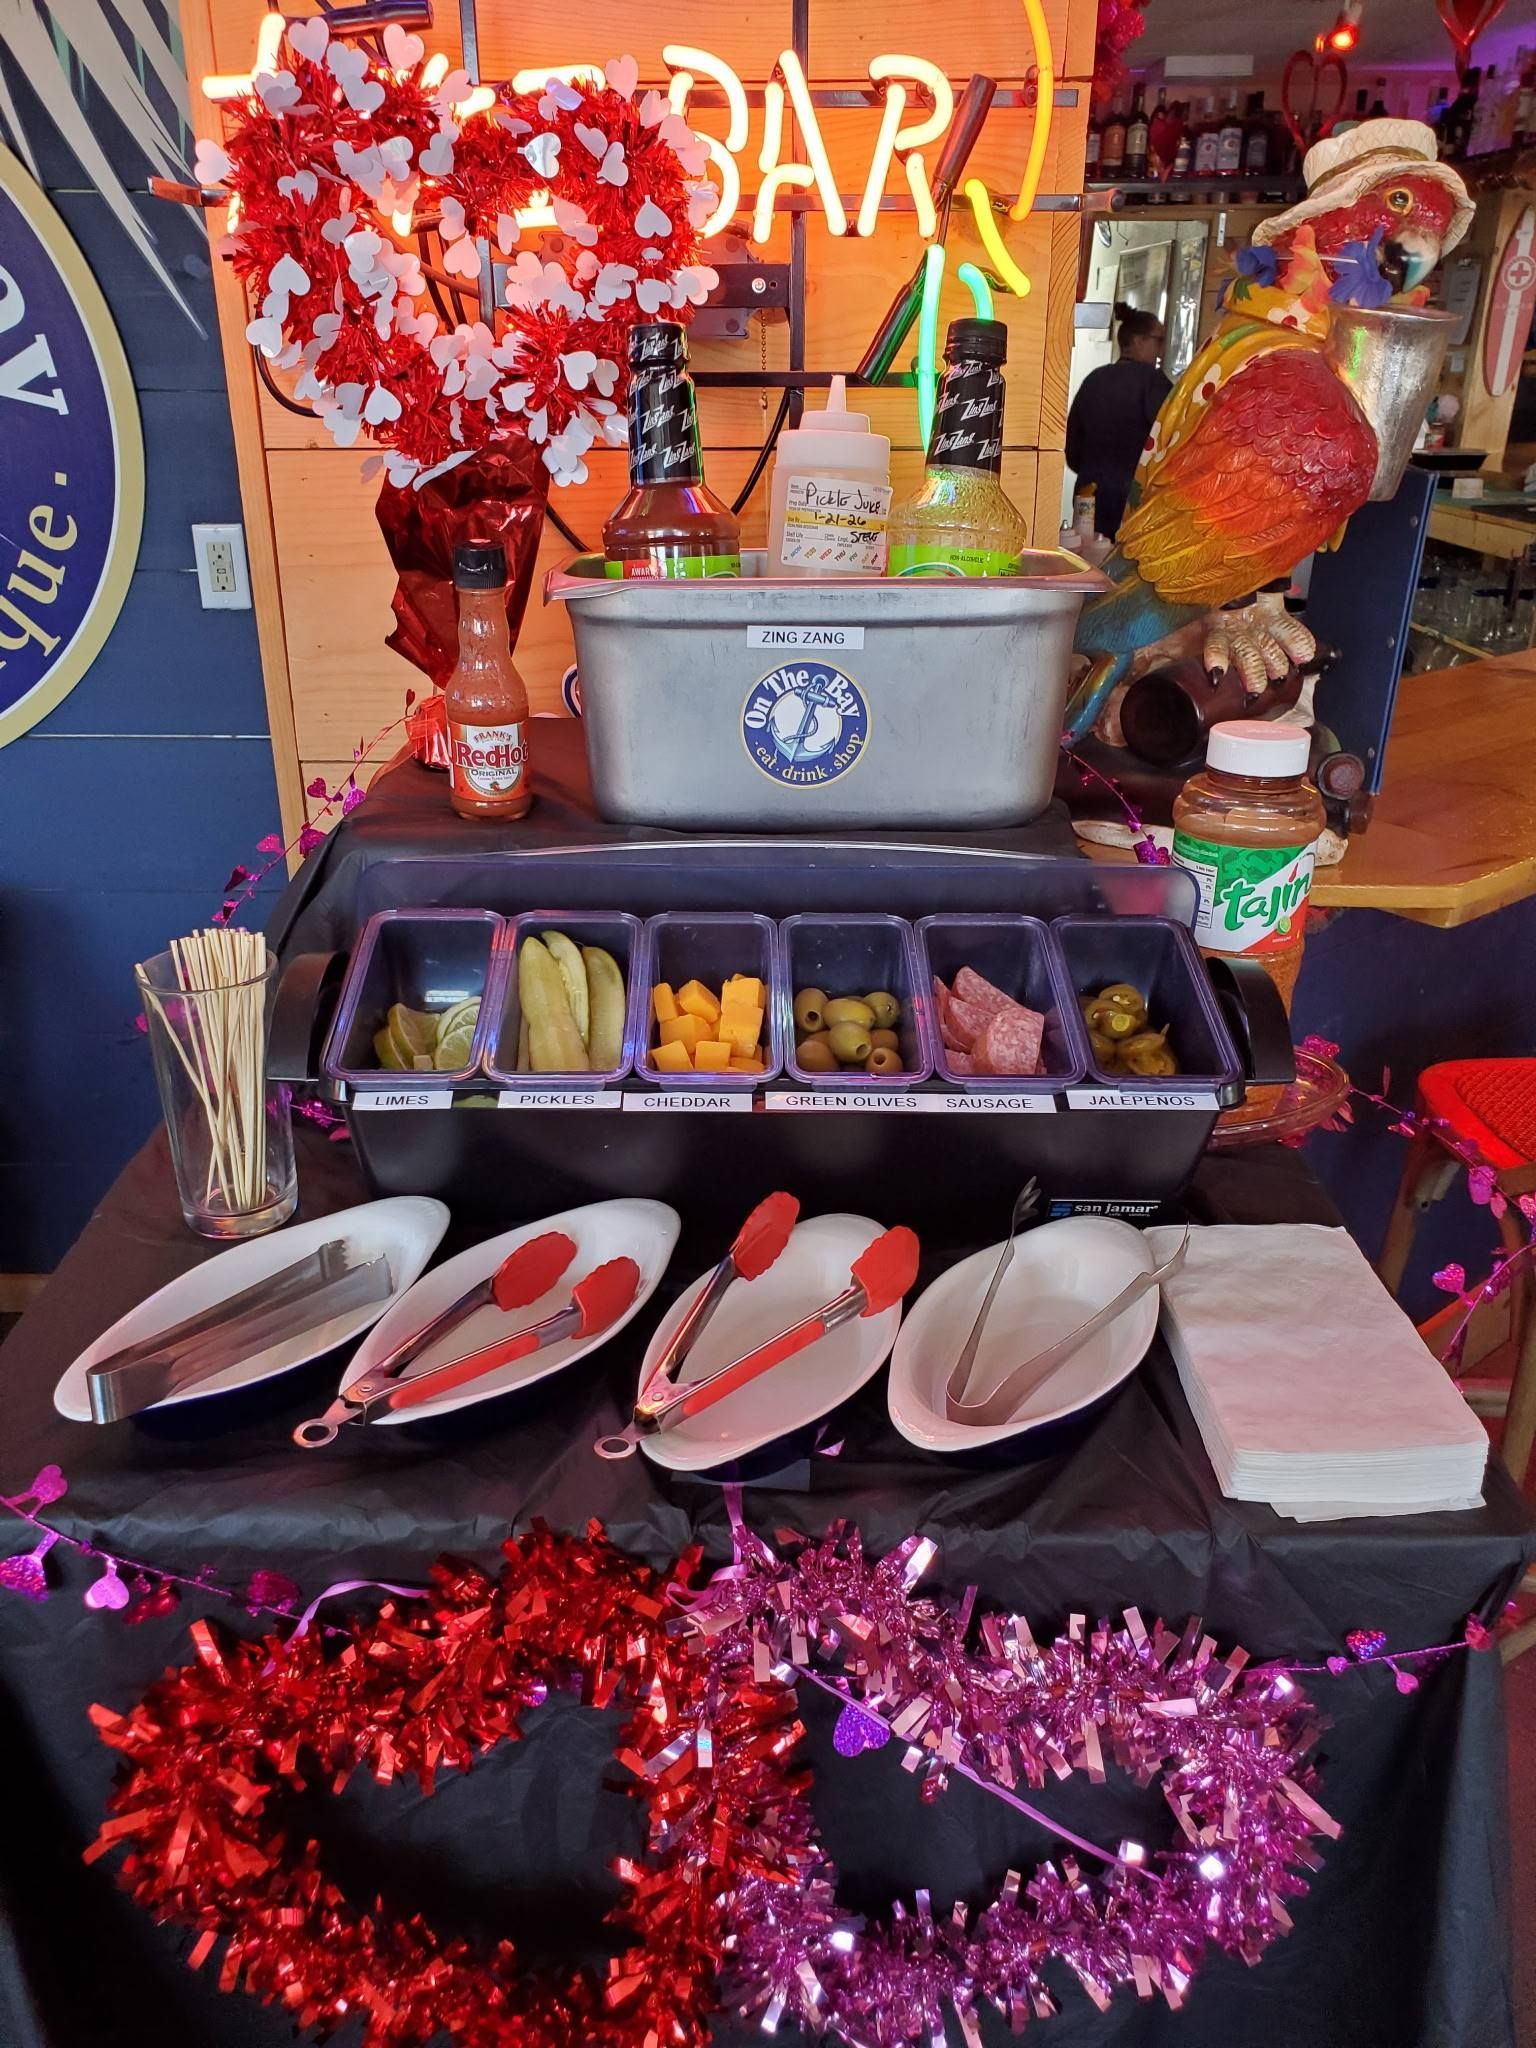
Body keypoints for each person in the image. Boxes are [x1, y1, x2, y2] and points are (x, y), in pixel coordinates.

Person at [1065, 305, 1171, 540]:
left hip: (1089, 495)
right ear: (1139, 341)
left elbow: (1072, 448)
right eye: (1159, 341)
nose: (1162, 350)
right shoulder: (1153, 383)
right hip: (1134, 501)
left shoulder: (1094, 380)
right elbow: (1170, 440)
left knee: (1086, 555)